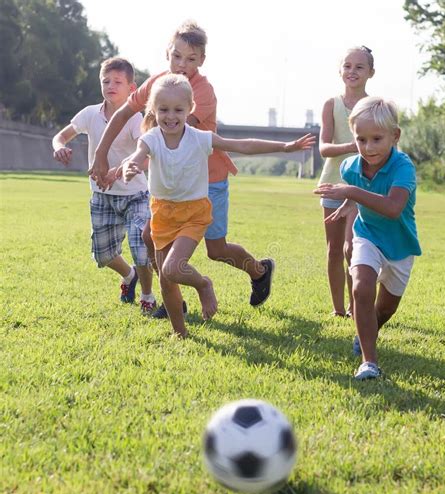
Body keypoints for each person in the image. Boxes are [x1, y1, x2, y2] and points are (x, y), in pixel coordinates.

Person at [88, 20, 278, 319]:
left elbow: (171, 139)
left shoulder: (201, 92)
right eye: (177, 56)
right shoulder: (158, 82)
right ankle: (173, 298)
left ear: (201, 60)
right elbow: (126, 112)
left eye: (191, 59)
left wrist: (128, 164)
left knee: (216, 250)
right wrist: (101, 155)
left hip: (206, 181)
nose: (182, 64)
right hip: (170, 186)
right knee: (152, 237)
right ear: (168, 53)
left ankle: (259, 270)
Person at [122, 74, 315, 338]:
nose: (170, 116)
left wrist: (285, 146)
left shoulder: (200, 138)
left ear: (190, 109)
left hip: (193, 213)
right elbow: (136, 155)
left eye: (178, 110)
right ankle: (180, 333)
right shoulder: (152, 138)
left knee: (171, 267)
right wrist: (130, 166)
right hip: (162, 213)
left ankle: (203, 285)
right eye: (163, 110)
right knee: (167, 281)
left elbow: (242, 145)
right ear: (154, 110)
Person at [314, 97, 421, 380]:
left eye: (377, 139)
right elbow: (357, 189)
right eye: (361, 139)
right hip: (367, 236)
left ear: (394, 136)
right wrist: (348, 205)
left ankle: (367, 330)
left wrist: (350, 195)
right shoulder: (350, 167)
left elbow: (392, 208)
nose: (368, 147)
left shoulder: (403, 167)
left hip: (400, 246)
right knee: (361, 288)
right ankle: (369, 363)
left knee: (384, 309)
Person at [52, 57, 155, 312]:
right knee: (103, 254)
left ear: (132, 88)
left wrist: (119, 172)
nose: (110, 85)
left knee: (139, 245)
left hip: (135, 194)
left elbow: (148, 158)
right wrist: (60, 147)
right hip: (101, 195)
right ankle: (129, 276)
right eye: (105, 81)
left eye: (118, 82)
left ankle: (147, 295)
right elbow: (61, 136)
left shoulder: (135, 119)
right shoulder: (89, 114)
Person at [317, 46, 375, 318]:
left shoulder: (373, 107)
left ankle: (356, 306)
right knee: (333, 249)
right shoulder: (331, 104)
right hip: (331, 183)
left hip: (362, 186)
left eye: (359, 67)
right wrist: (352, 146)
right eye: (348, 66)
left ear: (371, 73)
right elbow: (324, 148)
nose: (352, 71)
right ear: (340, 70)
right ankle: (338, 309)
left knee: (352, 248)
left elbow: (380, 147)